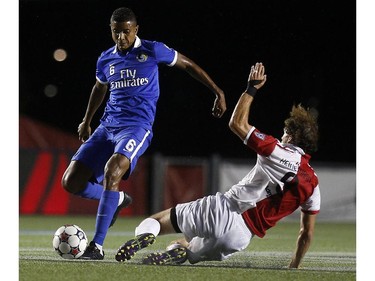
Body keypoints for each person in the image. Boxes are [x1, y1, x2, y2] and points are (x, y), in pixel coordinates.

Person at [115, 62, 320, 268]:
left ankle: (145, 236)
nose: (281, 135)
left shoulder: (277, 150)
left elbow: (237, 124)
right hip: (240, 237)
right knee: (184, 246)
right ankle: (175, 253)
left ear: (291, 137)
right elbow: (306, 233)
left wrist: (252, 88)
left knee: (157, 222)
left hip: (225, 209)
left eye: (285, 131)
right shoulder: (313, 185)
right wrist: (294, 266)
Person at [61, 7, 226, 260]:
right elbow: (99, 88)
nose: (121, 38)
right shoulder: (106, 58)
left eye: (126, 32)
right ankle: (116, 199)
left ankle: (97, 246)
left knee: (112, 170)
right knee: (70, 181)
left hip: (136, 127)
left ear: (136, 29)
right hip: (107, 126)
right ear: (111, 31)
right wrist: (86, 120)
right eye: (116, 32)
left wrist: (218, 91)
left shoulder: (152, 50)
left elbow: (188, 65)